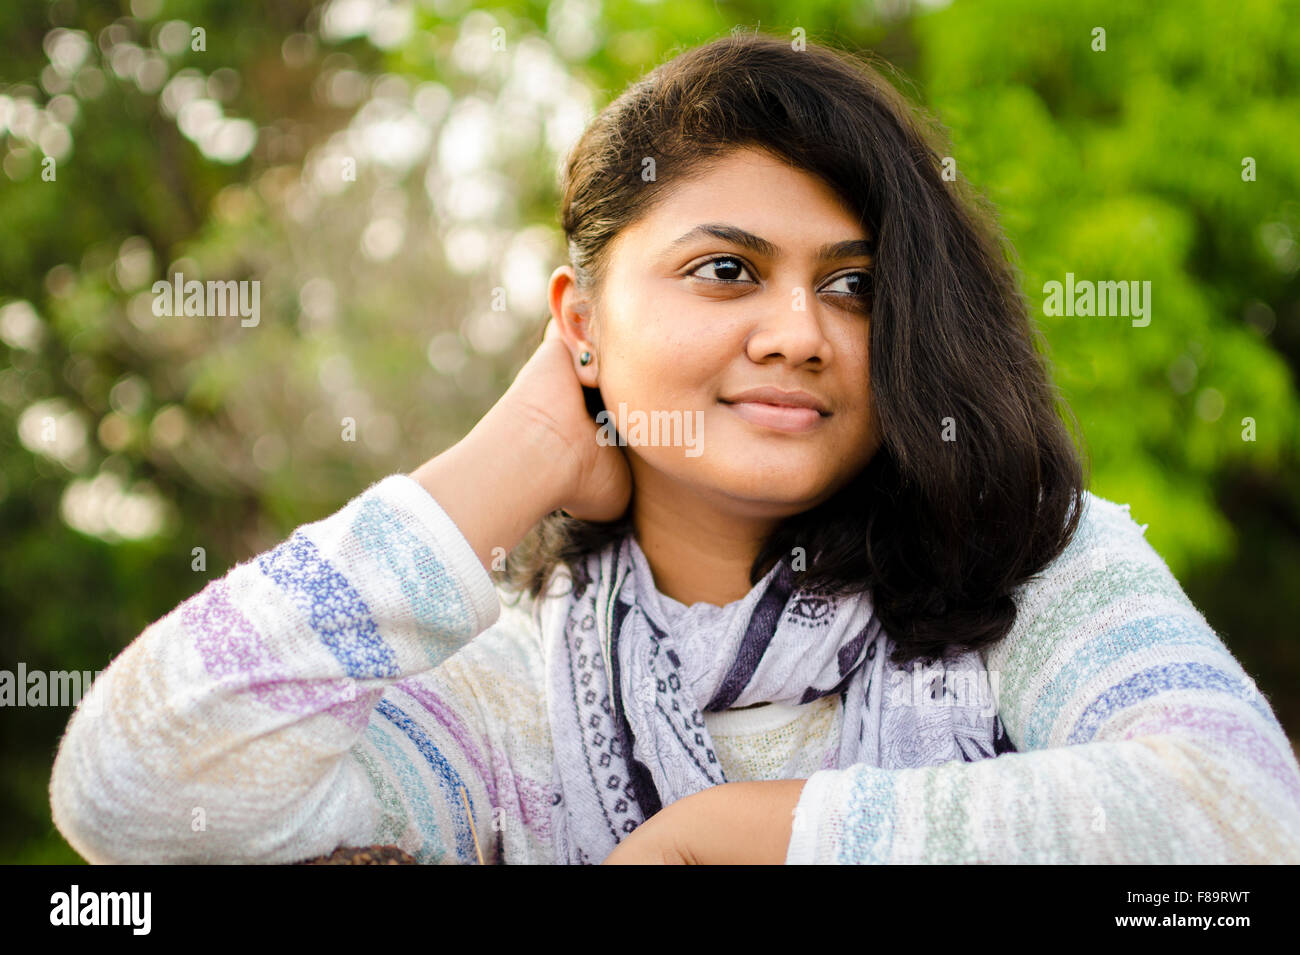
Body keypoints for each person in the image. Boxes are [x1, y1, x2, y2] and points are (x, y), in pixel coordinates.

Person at [49, 32, 1300, 865]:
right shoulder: (509, 699)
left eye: (857, 287)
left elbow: (1243, 823)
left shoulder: (1027, 569)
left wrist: (740, 833)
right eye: (724, 270)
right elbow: (135, 796)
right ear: (580, 322)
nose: (800, 333)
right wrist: (525, 447)